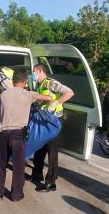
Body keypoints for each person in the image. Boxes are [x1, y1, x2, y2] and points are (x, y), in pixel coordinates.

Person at [0, 69, 52, 202]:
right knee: (19, 166)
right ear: (25, 81)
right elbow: (49, 98)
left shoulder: (3, 94)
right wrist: (40, 104)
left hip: (3, 133)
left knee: (1, 164)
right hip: (18, 135)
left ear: (14, 80)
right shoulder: (29, 94)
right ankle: (16, 195)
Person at [27, 64, 74, 193]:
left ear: (41, 71)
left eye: (34, 72)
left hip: (53, 123)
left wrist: (56, 103)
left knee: (52, 152)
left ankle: (51, 182)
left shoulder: (51, 83)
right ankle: (37, 174)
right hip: (44, 121)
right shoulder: (40, 85)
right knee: (40, 148)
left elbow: (69, 92)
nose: (33, 75)